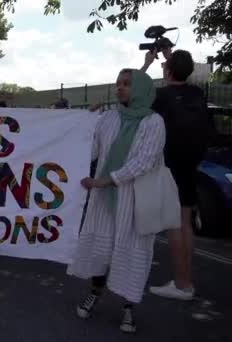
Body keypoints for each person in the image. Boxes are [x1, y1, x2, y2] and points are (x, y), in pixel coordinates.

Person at [67, 69, 166, 334]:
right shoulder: (109, 118)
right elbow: (90, 148)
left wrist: (104, 181)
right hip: (103, 199)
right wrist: (84, 120)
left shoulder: (154, 122)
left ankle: (129, 308)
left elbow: (143, 162)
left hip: (135, 200)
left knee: (132, 251)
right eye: (118, 84)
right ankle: (94, 293)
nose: (120, 88)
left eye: (126, 84)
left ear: (142, 89)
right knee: (101, 249)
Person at [144, 50, 214, 301]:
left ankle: (182, 284)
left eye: (166, 64)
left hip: (171, 164)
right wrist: (170, 56)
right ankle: (186, 282)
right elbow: (181, 77)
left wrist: (147, 64)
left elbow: (134, 97)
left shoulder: (161, 96)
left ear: (169, 70)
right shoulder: (196, 93)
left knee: (175, 223)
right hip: (190, 164)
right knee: (185, 222)